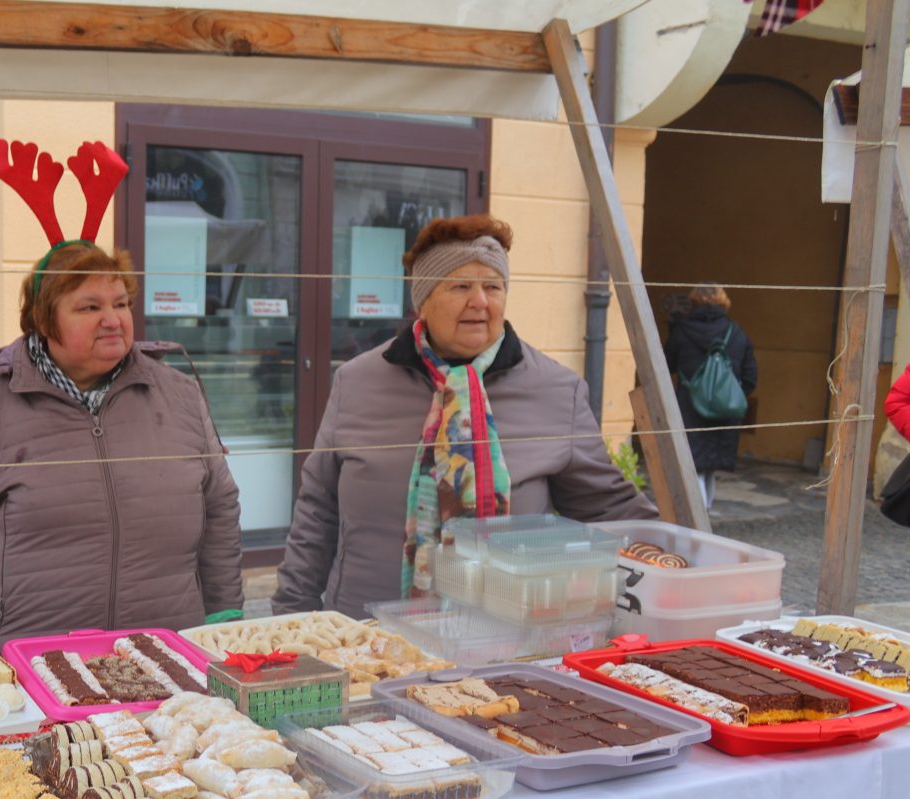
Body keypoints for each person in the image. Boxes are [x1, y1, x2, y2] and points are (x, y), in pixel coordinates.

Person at [274, 214, 656, 618]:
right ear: (423, 299)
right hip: (366, 632)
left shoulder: (557, 391)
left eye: (493, 286)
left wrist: (687, 554)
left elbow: (608, 508)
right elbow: (317, 511)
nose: (480, 301)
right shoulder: (358, 382)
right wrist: (289, 613)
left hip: (506, 634)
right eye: (460, 286)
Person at [0, 242, 244, 643]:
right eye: (89, 308)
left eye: (120, 304)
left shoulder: (180, 396)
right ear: (44, 320)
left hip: (168, 659)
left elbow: (219, 508)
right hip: (30, 672)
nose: (113, 320)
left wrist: (224, 622)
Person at [665, 283, 758, 508]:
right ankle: (704, 514)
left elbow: (665, 365)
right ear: (723, 302)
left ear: (693, 302)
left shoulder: (681, 331)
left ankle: (698, 519)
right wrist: (728, 398)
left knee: (692, 464)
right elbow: (750, 378)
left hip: (689, 408)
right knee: (709, 468)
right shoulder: (737, 333)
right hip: (725, 412)